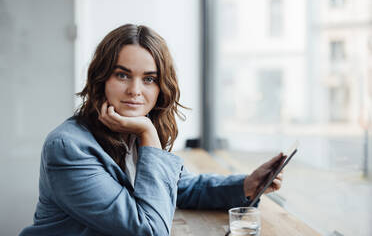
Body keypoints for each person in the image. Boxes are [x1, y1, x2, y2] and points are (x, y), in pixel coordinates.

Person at [20, 24, 284, 236]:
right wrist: (148, 132)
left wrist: (246, 186)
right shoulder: (68, 148)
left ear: (161, 87)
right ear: (101, 80)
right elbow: (149, 230)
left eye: (149, 79)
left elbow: (184, 187)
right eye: (122, 75)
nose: (135, 90)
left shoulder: (130, 134)